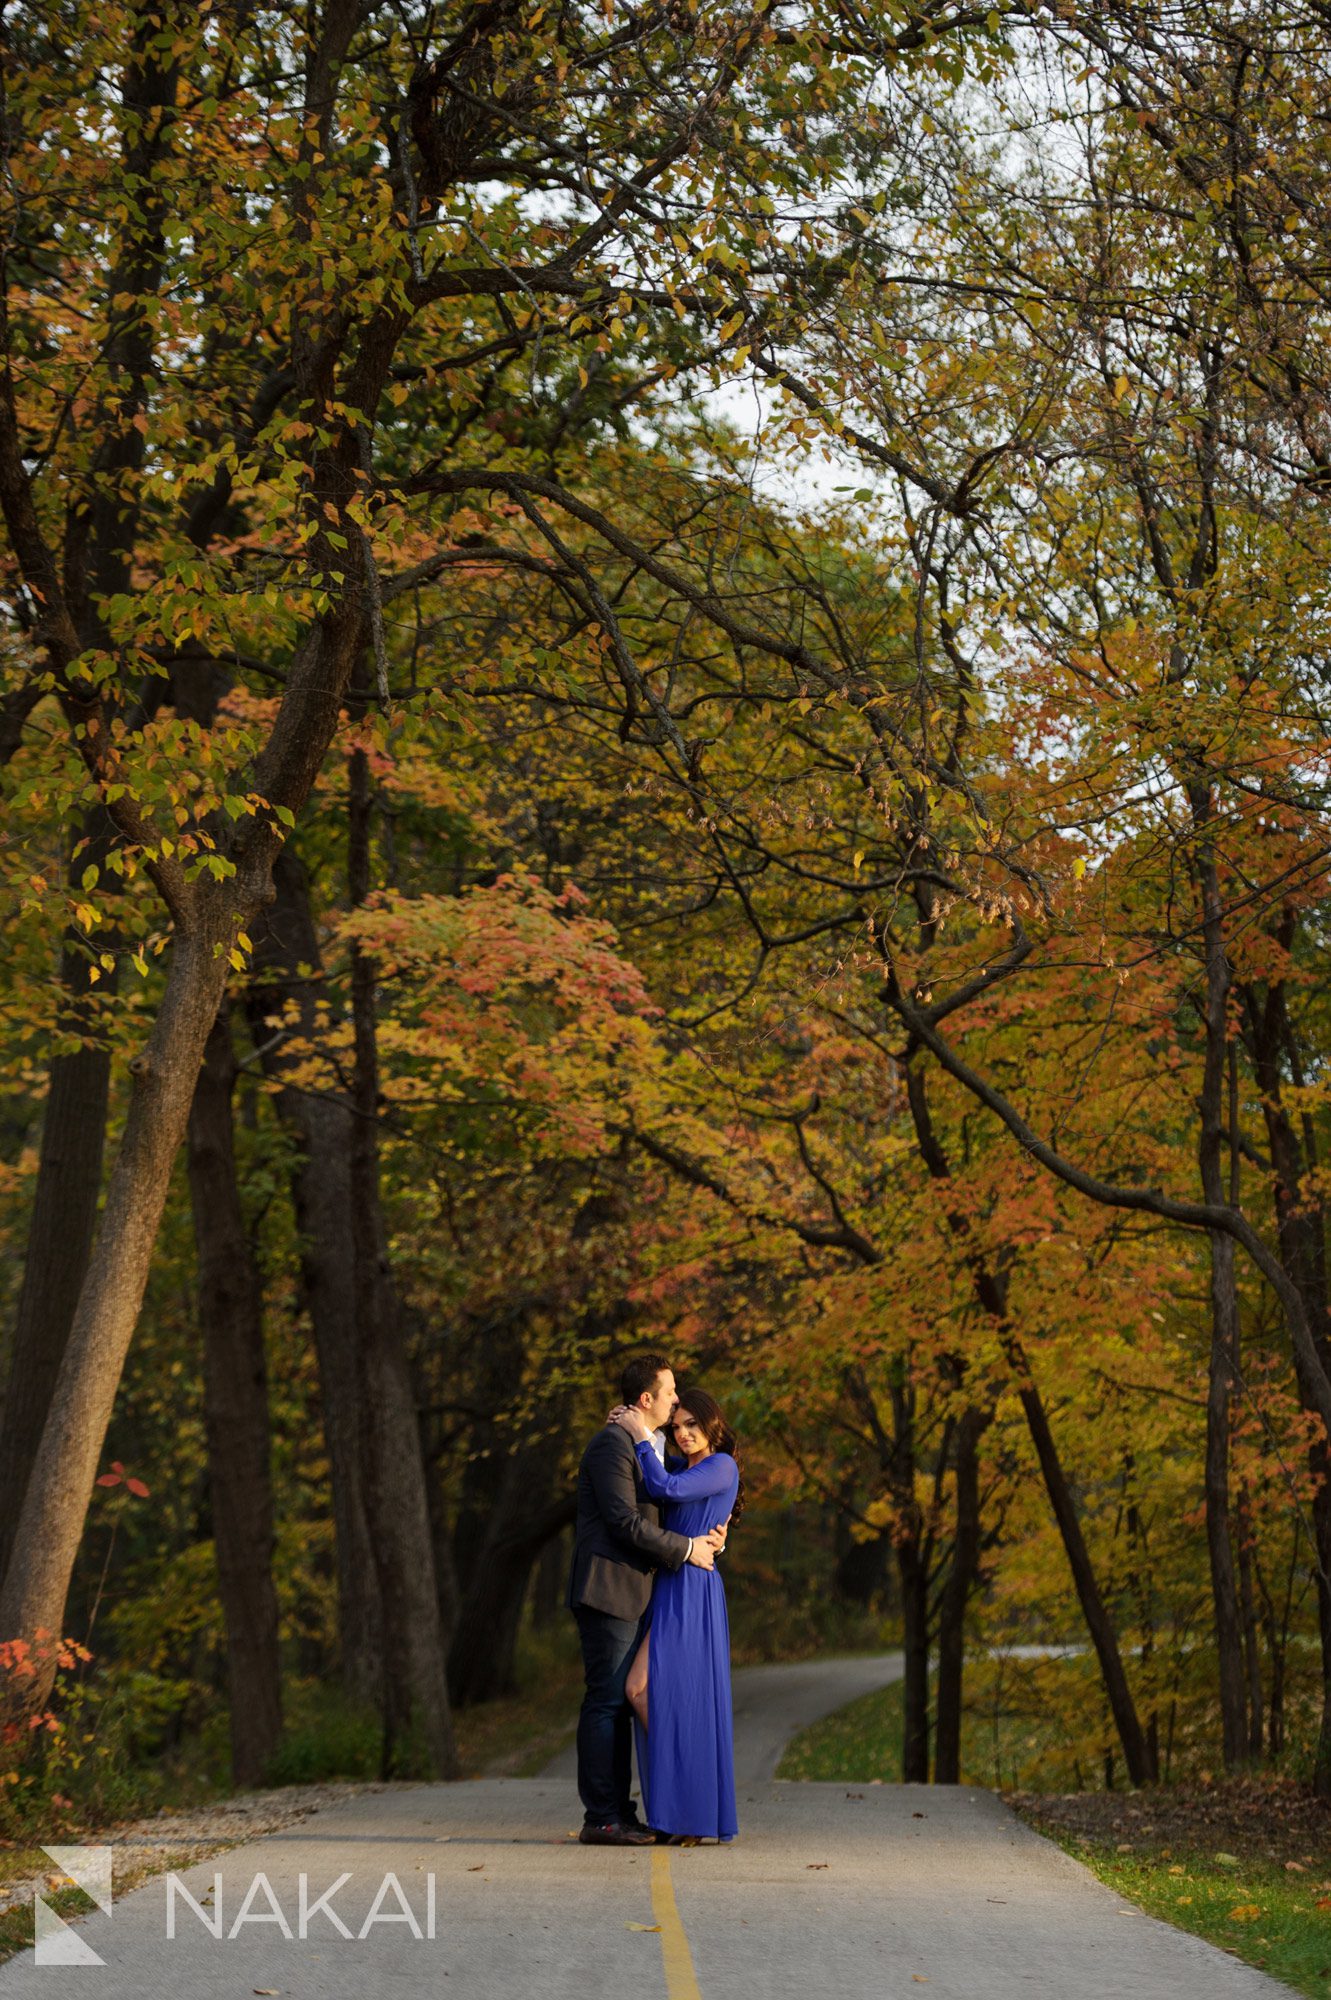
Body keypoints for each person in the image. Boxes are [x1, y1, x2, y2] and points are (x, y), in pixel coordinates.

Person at [566, 1353, 726, 1846]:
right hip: (608, 1589)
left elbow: (683, 1490)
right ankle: (602, 1817)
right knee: (607, 1701)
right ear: (646, 1399)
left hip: (638, 1594)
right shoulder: (611, 1446)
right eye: (671, 1392)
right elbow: (625, 1523)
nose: (677, 1399)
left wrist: (714, 1537)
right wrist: (688, 1549)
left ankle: (622, 1812)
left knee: (618, 1702)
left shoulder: (649, 1445)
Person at [609, 1388, 742, 1843]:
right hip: (666, 1586)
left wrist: (640, 1436)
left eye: (691, 1425)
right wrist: (640, 1433)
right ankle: (681, 1808)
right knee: (653, 1695)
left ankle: (690, 1808)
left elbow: (665, 1489)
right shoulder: (684, 1467)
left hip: (692, 1592)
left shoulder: (721, 1465)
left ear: (712, 1424)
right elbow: (658, 1501)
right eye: (677, 1426)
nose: (683, 1434)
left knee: (642, 1689)